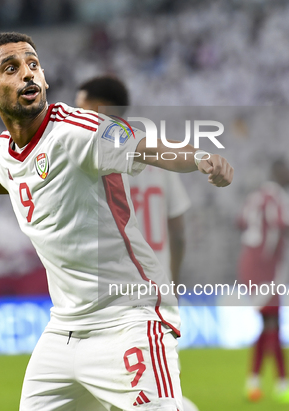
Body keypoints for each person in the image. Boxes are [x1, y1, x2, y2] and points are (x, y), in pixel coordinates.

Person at [0, 32, 234, 410]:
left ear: (44, 77)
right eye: (10, 68)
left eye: (32, 65)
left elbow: (144, 145)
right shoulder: (7, 150)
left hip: (128, 320)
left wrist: (197, 157)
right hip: (64, 331)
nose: (27, 74)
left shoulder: (79, 129)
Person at [76, 75, 197, 411]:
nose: (75, 112)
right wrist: (171, 278)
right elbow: (178, 229)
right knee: (152, 388)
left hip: (113, 289)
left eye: (81, 105)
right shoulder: (156, 153)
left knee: (125, 393)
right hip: (153, 289)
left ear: (102, 108)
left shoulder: (89, 153)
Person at [238, 159, 289, 404]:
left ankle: (253, 383)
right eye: (288, 171)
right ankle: (283, 384)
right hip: (266, 266)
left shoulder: (256, 196)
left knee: (268, 322)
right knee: (273, 322)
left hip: (250, 263)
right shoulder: (277, 196)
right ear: (280, 173)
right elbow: (286, 224)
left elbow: (239, 221)